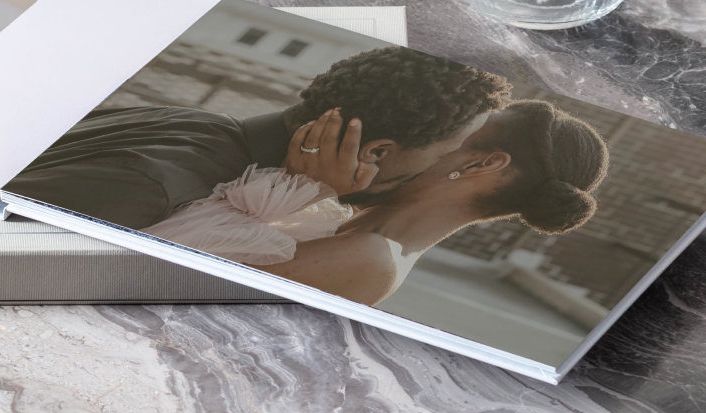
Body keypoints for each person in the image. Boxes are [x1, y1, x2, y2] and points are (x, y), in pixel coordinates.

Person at [5, 46, 514, 229]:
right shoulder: (163, 185)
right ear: (378, 152)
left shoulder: (194, 123)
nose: (446, 168)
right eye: (445, 153)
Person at [208, 99, 608, 306]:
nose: (427, 134)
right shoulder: (351, 226)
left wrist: (301, 185)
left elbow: (168, 280)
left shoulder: (368, 257)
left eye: (454, 132)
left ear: (482, 164)